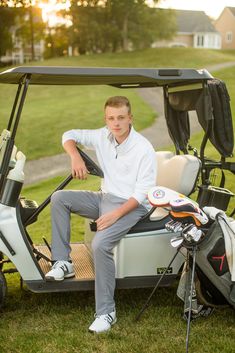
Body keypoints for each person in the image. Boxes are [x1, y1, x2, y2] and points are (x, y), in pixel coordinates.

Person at [45, 96, 157, 333]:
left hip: (132, 204)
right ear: (106, 119)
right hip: (105, 197)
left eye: (121, 118)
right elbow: (68, 135)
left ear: (130, 118)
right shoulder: (102, 135)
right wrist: (75, 155)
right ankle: (64, 262)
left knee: (100, 245)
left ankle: (107, 313)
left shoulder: (143, 148)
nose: (115, 123)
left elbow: (142, 194)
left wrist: (115, 215)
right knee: (59, 198)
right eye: (111, 118)